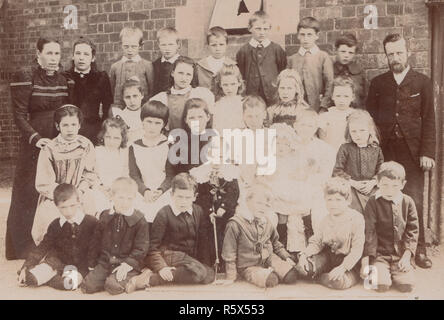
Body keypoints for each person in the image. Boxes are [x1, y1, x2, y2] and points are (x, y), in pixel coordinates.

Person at [366, 33, 436, 269]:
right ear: (385, 56)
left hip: (412, 151)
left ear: (408, 53)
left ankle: (419, 251)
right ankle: (382, 252)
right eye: (391, 54)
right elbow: (370, 120)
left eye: (399, 52)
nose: (395, 57)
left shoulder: (422, 82)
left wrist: (428, 152)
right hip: (386, 150)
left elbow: (429, 119)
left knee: (413, 200)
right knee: (382, 197)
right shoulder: (378, 83)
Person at [6, 37, 74, 260]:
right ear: (38, 55)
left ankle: (53, 243)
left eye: (57, 54)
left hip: (57, 140)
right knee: (28, 190)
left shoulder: (66, 80)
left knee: (55, 188)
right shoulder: (26, 78)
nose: (54, 58)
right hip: (35, 142)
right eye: (49, 53)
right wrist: (36, 138)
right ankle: (23, 247)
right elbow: (18, 115)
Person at [125, 173, 215, 292]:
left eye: (187, 198)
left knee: (209, 274)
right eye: (179, 197)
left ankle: (150, 273)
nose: (183, 202)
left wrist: (204, 264)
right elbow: (152, 247)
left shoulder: (197, 211)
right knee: (200, 272)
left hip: (187, 259)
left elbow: (203, 242)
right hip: (167, 255)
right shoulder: (164, 214)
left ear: (195, 197)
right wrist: (161, 267)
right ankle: (149, 280)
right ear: (172, 195)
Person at [32, 105, 97, 245]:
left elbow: (89, 173)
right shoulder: (49, 148)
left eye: (73, 124)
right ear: (57, 126)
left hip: (80, 192)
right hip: (55, 196)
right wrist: (64, 196)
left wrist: (79, 191)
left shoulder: (86, 145)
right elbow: (44, 182)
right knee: (51, 217)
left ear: (79, 125)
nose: (70, 129)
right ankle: (56, 256)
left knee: (92, 212)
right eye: (65, 125)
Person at [18, 184, 100, 290]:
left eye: (72, 206)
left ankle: (50, 279)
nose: (69, 211)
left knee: (67, 284)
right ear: (56, 206)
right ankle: (46, 274)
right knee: (30, 278)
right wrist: (26, 267)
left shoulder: (91, 222)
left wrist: (91, 268)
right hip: (57, 263)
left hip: (80, 266)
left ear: (79, 202)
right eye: (63, 207)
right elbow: (43, 247)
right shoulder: (55, 225)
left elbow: (98, 247)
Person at [81, 177, 150, 295]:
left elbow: (141, 248)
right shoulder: (105, 216)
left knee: (113, 287)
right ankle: (109, 277)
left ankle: (136, 278)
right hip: (105, 262)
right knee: (88, 286)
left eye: (129, 199)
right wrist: (92, 264)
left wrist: (127, 264)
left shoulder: (139, 220)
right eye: (121, 198)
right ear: (112, 197)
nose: (125, 202)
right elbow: (95, 242)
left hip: (126, 263)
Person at [221, 184, 298, 288]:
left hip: (268, 259)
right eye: (259, 203)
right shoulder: (235, 223)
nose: (263, 208)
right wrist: (230, 276)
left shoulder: (266, 221)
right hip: (247, 265)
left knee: (291, 276)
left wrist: (286, 257)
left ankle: (271, 271)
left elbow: (276, 243)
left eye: (267, 205)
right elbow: (229, 251)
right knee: (271, 281)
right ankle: (266, 274)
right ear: (248, 202)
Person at [361, 161, 419, 293]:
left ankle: (397, 270)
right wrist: (366, 261)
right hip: (379, 255)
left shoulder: (408, 202)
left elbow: (413, 231)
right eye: (385, 185)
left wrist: (406, 255)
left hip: (400, 255)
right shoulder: (372, 202)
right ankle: (382, 271)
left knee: (407, 286)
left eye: (394, 186)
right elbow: (369, 232)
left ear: (403, 185)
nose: (389, 190)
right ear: (377, 182)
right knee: (381, 286)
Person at [297, 177, 365, 290]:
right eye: (330, 199)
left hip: (349, 262)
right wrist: (305, 254)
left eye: (338, 200)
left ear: (347, 201)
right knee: (303, 268)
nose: (333, 204)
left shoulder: (356, 219)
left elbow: (357, 250)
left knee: (338, 282)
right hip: (329, 258)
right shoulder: (325, 220)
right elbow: (317, 242)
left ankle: (320, 278)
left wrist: (342, 268)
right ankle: (318, 275)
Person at [190, 141, 240, 271]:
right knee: (207, 232)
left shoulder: (230, 172)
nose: (217, 161)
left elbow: (233, 194)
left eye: (221, 157)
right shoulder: (202, 173)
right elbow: (202, 196)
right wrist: (209, 211)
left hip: (226, 212)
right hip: (208, 213)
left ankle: (225, 262)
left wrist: (224, 207)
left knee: (226, 232)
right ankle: (208, 261)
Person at [128, 101, 174, 223]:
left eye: (157, 123)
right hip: (142, 189)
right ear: (142, 121)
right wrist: (145, 191)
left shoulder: (168, 145)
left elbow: (171, 175)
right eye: (149, 122)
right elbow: (134, 175)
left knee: (164, 211)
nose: (152, 127)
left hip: (164, 189)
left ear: (164, 124)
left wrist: (160, 190)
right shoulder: (134, 145)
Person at [63, 37, 112, 144]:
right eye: (78, 53)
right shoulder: (65, 77)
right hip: (69, 131)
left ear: (93, 58)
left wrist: (102, 129)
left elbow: (107, 106)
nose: (81, 58)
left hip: (93, 130)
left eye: (86, 54)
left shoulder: (101, 77)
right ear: (73, 56)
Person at [333, 110, 384, 214]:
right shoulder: (345, 148)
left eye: (362, 130)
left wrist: (373, 182)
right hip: (351, 188)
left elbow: (381, 170)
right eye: (354, 131)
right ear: (349, 132)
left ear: (370, 130)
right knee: (353, 212)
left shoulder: (376, 150)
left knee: (375, 212)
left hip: (371, 188)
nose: (358, 135)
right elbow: (337, 171)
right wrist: (353, 183)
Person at [236, 10, 287, 106]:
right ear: (250, 28)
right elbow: (241, 74)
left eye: (265, 29)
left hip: (273, 96)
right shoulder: (243, 51)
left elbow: (282, 71)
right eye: (258, 29)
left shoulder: (277, 49)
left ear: (270, 28)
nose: (262, 32)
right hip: (251, 96)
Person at [150, 56, 215, 131]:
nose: (184, 78)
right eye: (180, 73)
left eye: (188, 74)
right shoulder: (160, 98)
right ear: (173, 73)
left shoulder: (203, 94)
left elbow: (210, 124)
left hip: (197, 140)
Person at [288, 17, 334, 112]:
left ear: (316, 36)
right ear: (298, 36)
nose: (305, 39)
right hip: (297, 108)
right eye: (302, 35)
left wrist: (324, 106)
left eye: (309, 35)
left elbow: (330, 83)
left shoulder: (323, 57)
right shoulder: (292, 59)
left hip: (318, 107)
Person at [91, 117, 130, 214]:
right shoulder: (97, 151)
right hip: (100, 188)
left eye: (116, 138)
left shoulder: (124, 153)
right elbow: (92, 174)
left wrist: (117, 189)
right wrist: (101, 187)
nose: (111, 141)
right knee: (98, 204)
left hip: (118, 188)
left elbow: (125, 173)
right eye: (108, 137)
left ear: (122, 139)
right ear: (102, 136)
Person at [109, 27, 154, 109]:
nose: (130, 50)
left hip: (142, 108)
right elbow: (112, 88)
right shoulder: (115, 67)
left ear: (140, 46)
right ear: (120, 45)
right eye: (126, 46)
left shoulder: (147, 65)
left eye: (133, 46)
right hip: (120, 108)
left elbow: (151, 88)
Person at [170, 97, 217, 174]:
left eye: (200, 117)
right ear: (186, 120)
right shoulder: (179, 143)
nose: (196, 122)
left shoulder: (215, 139)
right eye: (192, 118)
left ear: (208, 117)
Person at [196, 26, 237, 95]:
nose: (218, 48)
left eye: (221, 44)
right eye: (213, 45)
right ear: (207, 46)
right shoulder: (200, 66)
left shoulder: (232, 66)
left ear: (226, 45)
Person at [318, 77, 355, 152]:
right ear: (332, 96)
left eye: (346, 96)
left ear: (352, 97)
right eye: (338, 96)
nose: (342, 100)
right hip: (330, 153)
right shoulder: (325, 117)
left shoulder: (356, 115)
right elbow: (322, 141)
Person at [152, 27, 191, 96]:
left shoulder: (186, 63)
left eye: (171, 44)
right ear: (158, 45)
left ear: (178, 45)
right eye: (163, 45)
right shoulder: (155, 65)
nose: (167, 48)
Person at [333, 33, 366, 109]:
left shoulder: (360, 71)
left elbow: (364, 95)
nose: (346, 55)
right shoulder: (329, 69)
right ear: (336, 50)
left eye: (350, 52)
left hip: (356, 112)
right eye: (343, 51)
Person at [109, 76, 144, 144]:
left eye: (135, 96)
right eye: (128, 97)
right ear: (123, 98)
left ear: (142, 95)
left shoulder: (147, 114)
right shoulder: (119, 115)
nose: (132, 101)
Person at [212, 64, 246, 133]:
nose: (229, 88)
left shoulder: (244, 103)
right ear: (220, 85)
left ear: (239, 83)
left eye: (233, 84)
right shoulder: (217, 105)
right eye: (225, 85)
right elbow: (216, 128)